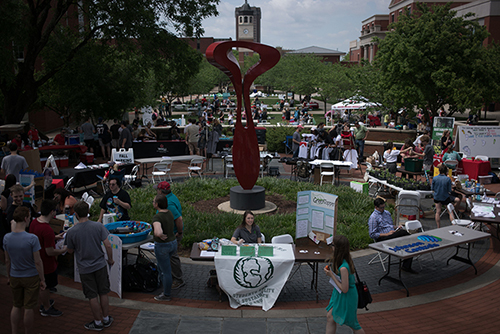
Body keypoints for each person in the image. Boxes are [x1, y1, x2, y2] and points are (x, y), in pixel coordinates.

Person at [64, 201, 114, 330]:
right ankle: (106, 318)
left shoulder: (72, 231)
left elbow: (69, 250)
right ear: (88, 212)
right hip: (100, 264)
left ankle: (97, 322)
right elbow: (108, 245)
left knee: (92, 295)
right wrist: (110, 259)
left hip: (85, 268)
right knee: (103, 292)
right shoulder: (98, 226)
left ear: (75, 214)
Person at [4, 206, 46, 334]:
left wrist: (9, 276)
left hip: (15, 275)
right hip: (30, 276)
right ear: (26, 218)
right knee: (28, 307)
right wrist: (42, 279)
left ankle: (14, 331)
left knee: (16, 305)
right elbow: (38, 261)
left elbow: (7, 260)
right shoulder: (32, 239)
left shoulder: (7, 238)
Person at [29, 199, 66, 317]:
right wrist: (63, 250)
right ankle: (46, 307)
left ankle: (45, 303)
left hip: (37, 261)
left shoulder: (34, 223)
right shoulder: (47, 230)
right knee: (45, 286)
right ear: (52, 212)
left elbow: (40, 239)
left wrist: (54, 238)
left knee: (43, 284)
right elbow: (50, 251)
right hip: (46, 264)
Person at [324, 235, 365, 334]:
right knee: (330, 316)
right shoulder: (343, 261)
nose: (331, 247)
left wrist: (331, 275)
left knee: (353, 323)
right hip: (340, 295)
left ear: (337, 248)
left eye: (333, 245)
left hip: (347, 297)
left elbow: (345, 288)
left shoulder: (343, 268)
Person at [368, 198, 415, 272]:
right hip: (383, 238)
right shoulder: (373, 217)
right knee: (404, 234)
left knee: (408, 240)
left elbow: (389, 225)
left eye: (384, 207)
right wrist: (387, 234)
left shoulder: (386, 213)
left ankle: (406, 265)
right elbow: (372, 234)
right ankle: (406, 263)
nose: (383, 209)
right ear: (376, 207)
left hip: (392, 233)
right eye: (381, 208)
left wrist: (396, 227)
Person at [154, 182, 185, 289]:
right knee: (171, 257)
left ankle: (177, 279)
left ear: (161, 192)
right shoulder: (172, 197)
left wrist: (179, 233)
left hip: (173, 234)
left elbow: (179, 219)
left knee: (172, 258)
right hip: (172, 233)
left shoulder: (169, 203)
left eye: (157, 190)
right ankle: (171, 277)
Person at [151, 194, 176, 301]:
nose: (152, 203)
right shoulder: (169, 213)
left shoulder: (157, 217)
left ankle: (166, 294)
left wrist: (159, 234)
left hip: (162, 246)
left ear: (157, 204)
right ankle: (165, 287)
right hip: (173, 243)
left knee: (165, 271)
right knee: (163, 268)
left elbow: (158, 231)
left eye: (153, 201)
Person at [432, 164, 460, 228]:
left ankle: (438, 226)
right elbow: (449, 190)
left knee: (438, 212)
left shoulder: (435, 178)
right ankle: (453, 225)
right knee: (450, 211)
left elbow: (432, 188)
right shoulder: (447, 179)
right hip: (445, 197)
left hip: (437, 196)